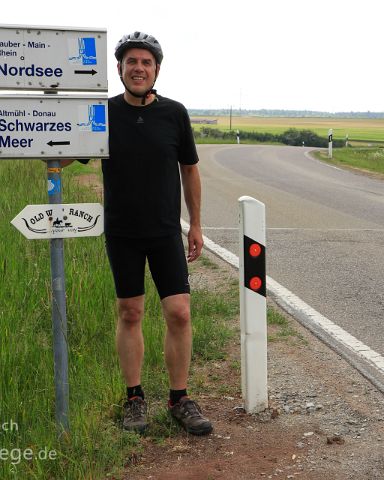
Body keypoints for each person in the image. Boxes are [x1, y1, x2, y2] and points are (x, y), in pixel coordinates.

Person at [103, 31, 212, 435]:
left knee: (179, 313)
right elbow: (66, 151)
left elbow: (190, 169)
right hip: (122, 232)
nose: (138, 68)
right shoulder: (103, 113)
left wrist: (195, 223)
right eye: (131, 61)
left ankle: (179, 398)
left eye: (146, 62)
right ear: (119, 68)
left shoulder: (174, 114)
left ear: (157, 70)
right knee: (130, 313)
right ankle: (134, 398)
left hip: (166, 231)